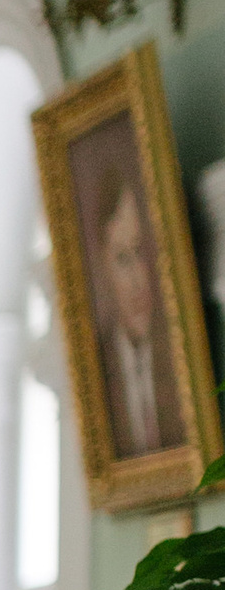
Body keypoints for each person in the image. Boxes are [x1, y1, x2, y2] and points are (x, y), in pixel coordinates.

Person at [88, 162, 177, 461]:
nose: (139, 279)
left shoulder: (178, 350)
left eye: (140, 251)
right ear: (104, 267)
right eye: (123, 259)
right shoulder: (96, 369)